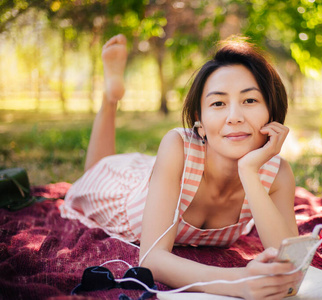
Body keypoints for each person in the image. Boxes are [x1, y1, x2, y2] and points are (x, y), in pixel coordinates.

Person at [60, 34, 301, 299]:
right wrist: (238, 280)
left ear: (271, 111)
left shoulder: (276, 173)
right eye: (218, 103)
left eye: (250, 100)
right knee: (93, 172)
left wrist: (249, 172)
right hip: (124, 192)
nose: (234, 117)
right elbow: (151, 259)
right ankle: (110, 97)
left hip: (165, 175)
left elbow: (290, 264)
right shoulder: (177, 144)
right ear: (200, 120)